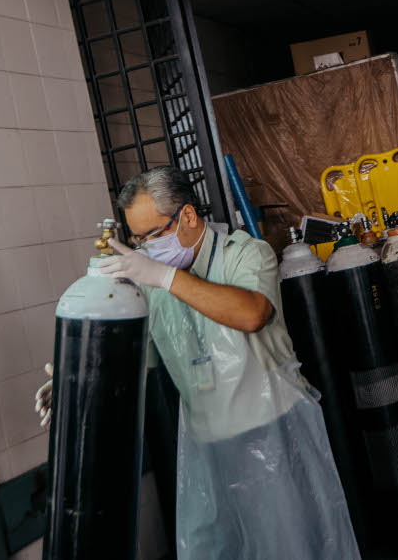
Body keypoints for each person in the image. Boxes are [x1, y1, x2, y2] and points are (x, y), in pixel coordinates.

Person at [34, 166, 361, 560]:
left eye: (151, 236)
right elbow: (141, 363)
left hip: (274, 438)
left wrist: (164, 276)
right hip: (207, 450)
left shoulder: (244, 254)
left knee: (290, 547)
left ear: (187, 216)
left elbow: (251, 314)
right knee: (218, 548)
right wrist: (79, 384)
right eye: (136, 240)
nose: (144, 250)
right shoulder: (152, 286)